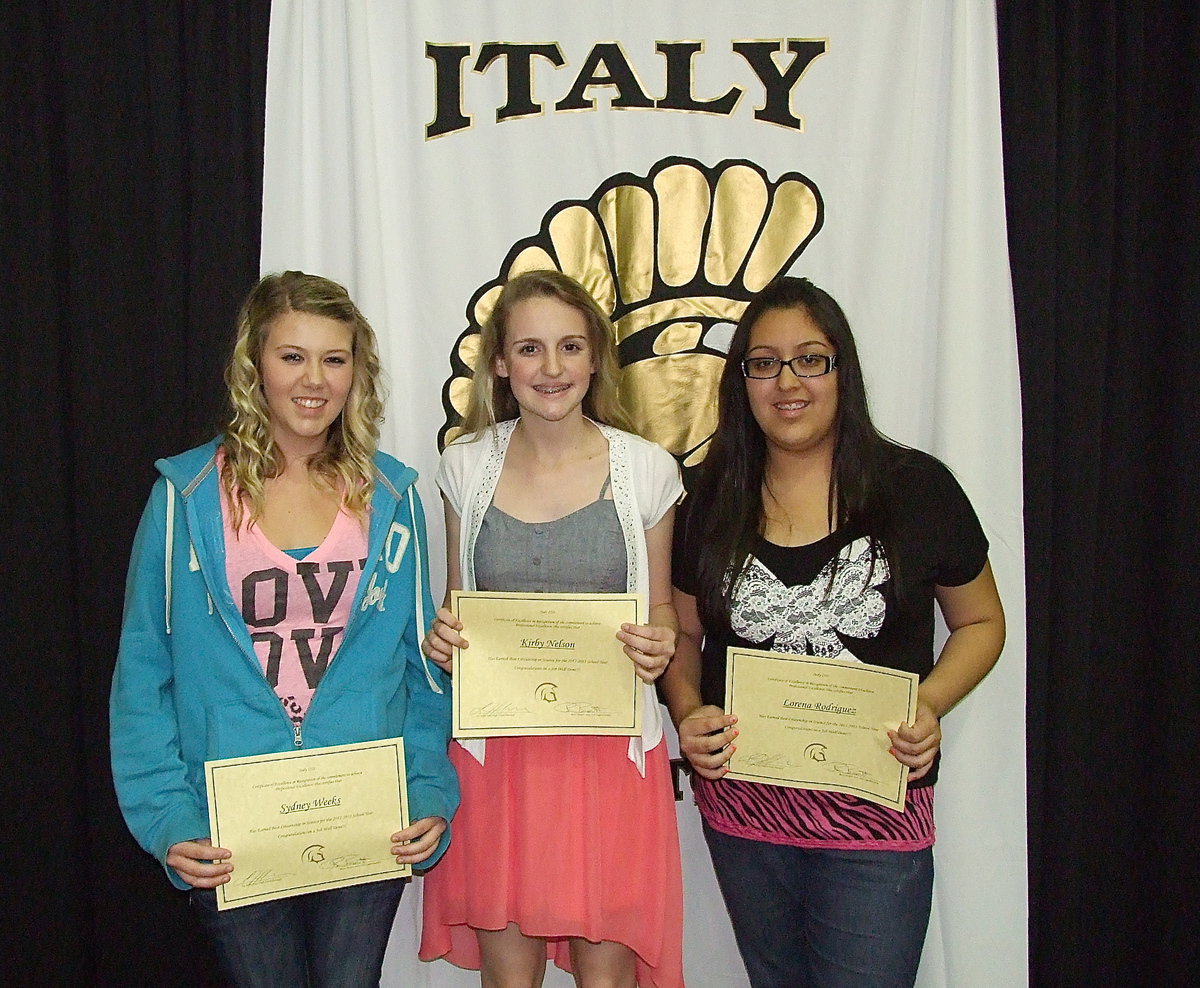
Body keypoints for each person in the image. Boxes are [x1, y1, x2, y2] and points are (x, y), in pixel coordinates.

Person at [109, 271, 458, 987]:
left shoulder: (392, 497)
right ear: (254, 366)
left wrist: (426, 791)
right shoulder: (184, 499)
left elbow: (424, 669)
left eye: (335, 359)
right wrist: (169, 818)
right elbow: (143, 674)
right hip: (235, 823)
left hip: (366, 807)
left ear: (358, 372)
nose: (315, 380)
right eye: (292, 356)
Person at [661, 276, 1005, 988]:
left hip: (874, 813)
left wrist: (930, 703)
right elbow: (682, 635)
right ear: (742, 382)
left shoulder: (917, 489)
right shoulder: (707, 498)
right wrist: (689, 712)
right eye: (763, 363)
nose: (787, 382)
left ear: (841, 370)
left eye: (809, 359)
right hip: (747, 815)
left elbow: (980, 621)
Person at [418, 270, 685, 988]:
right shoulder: (463, 468)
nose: (553, 368)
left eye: (570, 346)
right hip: (500, 756)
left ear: (595, 356)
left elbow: (660, 610)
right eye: (530, 349)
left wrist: (660, 642)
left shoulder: (649, 468)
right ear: (501, 363)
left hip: (609, 754)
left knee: (607, 979)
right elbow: (456, 607)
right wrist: (440, 640)